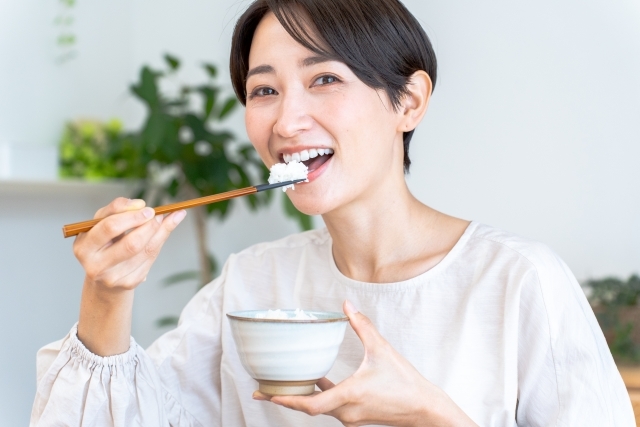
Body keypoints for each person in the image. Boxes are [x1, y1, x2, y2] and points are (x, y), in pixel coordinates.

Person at [30, 0, 634, 425]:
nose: (286, 122)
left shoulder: (517, 282)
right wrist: (106, 294)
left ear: (409, 101)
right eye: (264, 90)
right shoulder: (250, 283)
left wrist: (430, 415)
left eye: (324, 78)